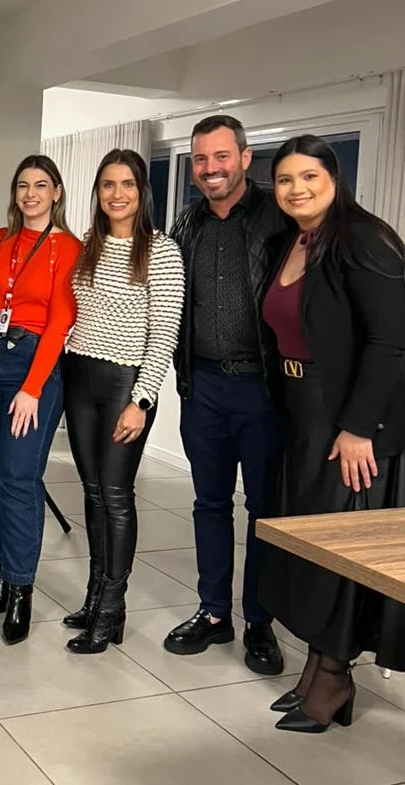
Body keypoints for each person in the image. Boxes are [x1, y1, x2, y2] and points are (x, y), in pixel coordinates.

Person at [259, 135, 405, 733]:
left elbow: (391, 340)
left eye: (309, 177)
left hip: (347, 421)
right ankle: (318, 669)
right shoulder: (293, 239)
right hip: (303, 411)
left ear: (335, 178)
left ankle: (334, 680)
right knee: (312, 549)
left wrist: (356, 429)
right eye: (286, 179)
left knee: (339, 553)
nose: (297, 189)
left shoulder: (362, 238)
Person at [164, 114, 289, 675]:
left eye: (220, 157)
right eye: (200, 159)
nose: (210, 169)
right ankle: (214, 613)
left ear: (244, 157)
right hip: (204, 386)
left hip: (262, 388)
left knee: (264, 510)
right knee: (209, 503)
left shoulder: (279, 220)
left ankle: (260, 621)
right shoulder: (185, 225)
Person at [62, 149, 184, 654]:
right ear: (97, 192)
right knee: (91, 491)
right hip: (79, 377)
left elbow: (165, 334)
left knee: (115, 495)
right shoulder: (87, 245)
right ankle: (95, 597)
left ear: (142, 191)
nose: (117, 194)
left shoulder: (161, 250)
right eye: (107, 184)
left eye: (127, 184)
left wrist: (142, 399)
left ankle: (112, 610)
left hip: (124, 385)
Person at [0, 155, 80, 645]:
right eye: (21, 185)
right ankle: (3, 570)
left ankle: (22, 588)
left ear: (56, 192)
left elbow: (60, 321)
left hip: (32, 364)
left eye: (40, 185)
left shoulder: (71, 248)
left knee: (19, 478)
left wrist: (33, 387)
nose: (30, 194)